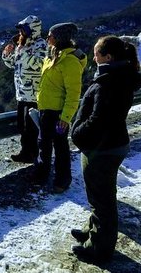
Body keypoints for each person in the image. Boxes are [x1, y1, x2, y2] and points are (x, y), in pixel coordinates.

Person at [70, 36, 141, 263]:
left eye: (97, 53)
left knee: (102, 202)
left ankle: (98, 249)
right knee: (102, 197)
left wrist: (77, 133)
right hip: (114, 144)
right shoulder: (122, 77)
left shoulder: (108, 83)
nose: (94, 57)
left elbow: (98, 120)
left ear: (108, 57)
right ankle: (92, 232)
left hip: (102, 149)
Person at [32, 22, 87, 192]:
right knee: (43, 144)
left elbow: (73, 93)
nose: (47, 38)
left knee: (60, 147)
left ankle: (62, 181)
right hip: (45, 110)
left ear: (59, 38)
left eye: (51, 36)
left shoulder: (70, 61)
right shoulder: (53, 55)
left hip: (57, 113)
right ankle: (42, 175)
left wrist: (65, 118)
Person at [2, 15, 47, 163]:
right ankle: (25, 152)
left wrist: (24, 50)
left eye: (23, 30)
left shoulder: (41, 45)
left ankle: (33, 154)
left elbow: (40, 65)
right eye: (21, 30)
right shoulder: (23, 45)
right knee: (22, 127)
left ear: (32, 30)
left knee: (31, 128)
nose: (20, 33)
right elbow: (15, 65)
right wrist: (7, 55)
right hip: (21, 93)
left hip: (33, 95)